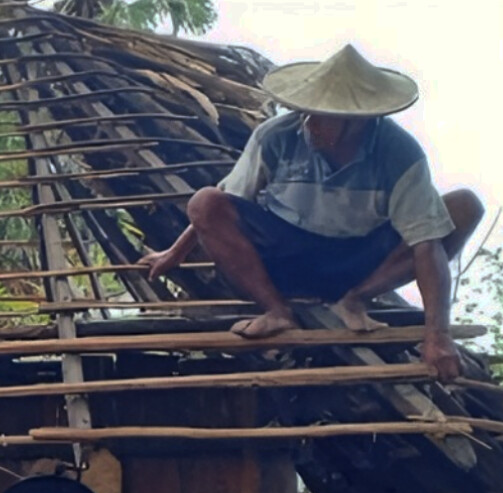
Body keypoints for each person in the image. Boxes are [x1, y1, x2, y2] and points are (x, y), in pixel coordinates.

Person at [137, 45, 482, 380]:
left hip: (359, 260)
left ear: (357, 121)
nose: (309, 123)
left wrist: (438, 335)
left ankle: (354, 299)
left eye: (322, 116)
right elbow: (218, 202)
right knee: (204, 200)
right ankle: (276, 310)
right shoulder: (277, 136)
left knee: (464, 207)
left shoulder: (399, 153)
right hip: (284, 254)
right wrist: (174, 253)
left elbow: (426, 244)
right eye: (307, 112)